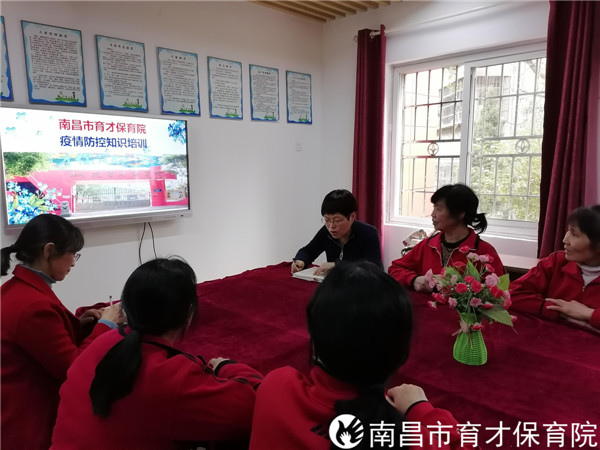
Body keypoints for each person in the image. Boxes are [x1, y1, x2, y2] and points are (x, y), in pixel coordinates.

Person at [250, 261, 467, 450]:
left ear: (316, 335)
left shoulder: (276, 387)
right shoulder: (413, 439)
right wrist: (420, 409)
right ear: (400, 350)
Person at [51, 257, 263, 450]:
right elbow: (255, 405)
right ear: (188, 313)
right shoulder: (173, 376)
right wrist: (226, 367)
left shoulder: (102, 343)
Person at [0, 214, 121, 450]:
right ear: (49, 251)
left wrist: (78, 324)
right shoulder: (33, 305)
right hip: (33, 425)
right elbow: (73, 368)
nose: (73, 263)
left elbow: (41, 342)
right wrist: (106, 326)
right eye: (72, 253)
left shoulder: (16, 289)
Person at [388, 184, 504, 292]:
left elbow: (501, 290)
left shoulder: (483, 252)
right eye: (434, 208)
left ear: (460, 213)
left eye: (439, 209)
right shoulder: (428, 244)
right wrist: (413, 280)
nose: (433, 214)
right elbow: (395, 268)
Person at [510, 205, 600, 332]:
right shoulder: (557, 261)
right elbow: (510, 294)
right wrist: (560, 312)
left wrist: (589, 314)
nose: (565, 240)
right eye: (568, 231)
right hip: (550, 336)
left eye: (574, 234)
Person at [291, 189, 383, 276]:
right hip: (335, 283)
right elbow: (308, 251)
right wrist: (301, 260)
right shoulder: (326, 232)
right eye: (327, 220)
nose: (331, 226)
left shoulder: (368, 233)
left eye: (337, 220)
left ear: (352, 217)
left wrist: (337, 265)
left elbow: (375, 268)